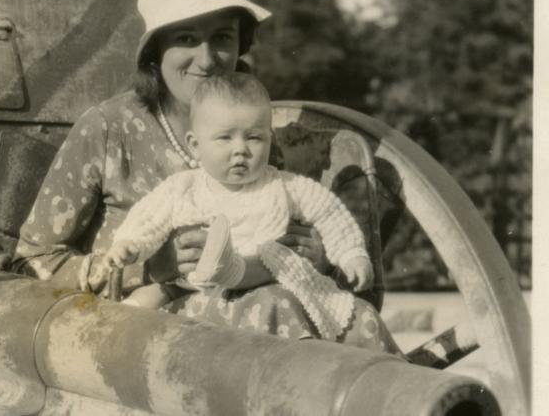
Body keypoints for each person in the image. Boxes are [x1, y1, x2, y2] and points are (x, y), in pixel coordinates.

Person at [14, 0, 401, 353]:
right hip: (136, 334)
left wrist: (318, 258)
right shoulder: (108, 130)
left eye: (222, 38)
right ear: (155, 50)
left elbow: (281, 222)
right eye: (185, 39)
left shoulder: (248, 130)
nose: (206, 58)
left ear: (240, 44)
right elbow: (30, 263)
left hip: (257, 322)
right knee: (276, 308)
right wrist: (147, 268)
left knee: (352, 319)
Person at [103, 72, 373, 342]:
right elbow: (149, 218)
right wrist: (129, 245)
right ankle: (120, 337)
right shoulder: (183, 188)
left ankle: (233, 270)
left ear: (270, 139)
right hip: (191, 286)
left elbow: (329, 212)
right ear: (196, 146)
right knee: (146, 300)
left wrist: (351, 254)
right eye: (224, 138)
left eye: (254, 138)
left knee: (289, 278)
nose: (240, 149)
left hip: (263, 280)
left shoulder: (284, 186)